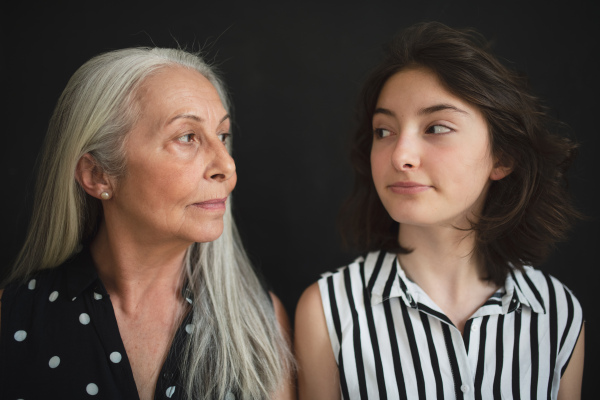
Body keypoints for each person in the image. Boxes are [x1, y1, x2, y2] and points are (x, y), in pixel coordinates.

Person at [295, 22, 584, 400]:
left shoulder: (556, 311)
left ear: (504, 156)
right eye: (384, 131)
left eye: (436, 127)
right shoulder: (327, 311)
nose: (400, 155)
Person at [0, 48, 294, 400]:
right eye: (187, 137)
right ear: (98, 175)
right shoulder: (12, 320)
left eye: (223, 136)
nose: (227, 167)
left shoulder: (262, 322)